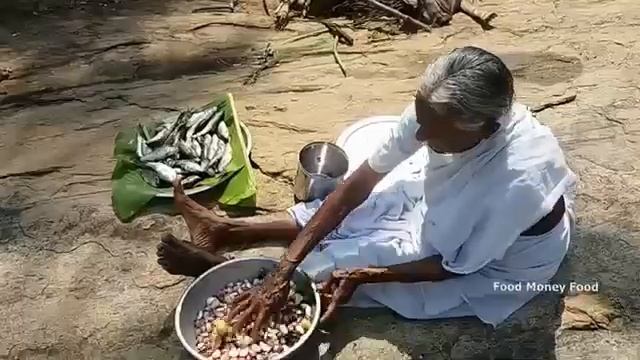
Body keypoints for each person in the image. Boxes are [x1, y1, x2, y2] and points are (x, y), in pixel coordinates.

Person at [157, 46, 577, 339]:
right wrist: (286, 265)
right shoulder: (440, 118)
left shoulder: (514, 183)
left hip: (497, 267)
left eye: (432, 132)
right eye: (420, 119)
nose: (419, 133)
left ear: (483, 129)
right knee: (377, 196)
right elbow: (359, 184)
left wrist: (364, 276)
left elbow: (455, 267)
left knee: (347, 265)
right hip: (455, 208)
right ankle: (231, 231)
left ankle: (226, 272)